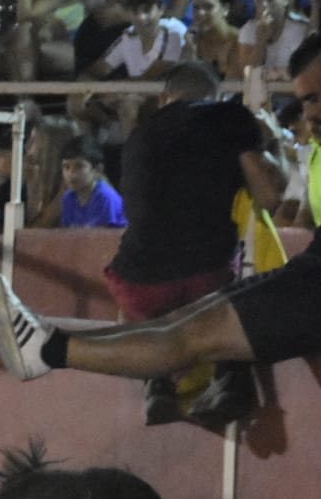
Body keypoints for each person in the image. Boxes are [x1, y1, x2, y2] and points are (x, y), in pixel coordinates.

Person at [0, 34, 321, 430]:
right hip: (314, 279)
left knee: (188, 335)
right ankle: (47, 341)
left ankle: (48, 351)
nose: (308, 113)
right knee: (181, 325)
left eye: (312, 99)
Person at [98, 61, 289, 423]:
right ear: (216, 96)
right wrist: (273, 139)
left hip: (138, 286)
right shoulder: (230, 117)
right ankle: (231, 377)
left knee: (136, 297)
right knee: (230, 290)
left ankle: (156, 380)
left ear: (165, 98)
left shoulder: (139, 135)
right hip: (207, 279)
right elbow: (270, 195)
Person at [58, 135, 127, 228]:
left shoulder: (105, 198)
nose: (71, 174)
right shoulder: (68, 198)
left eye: (79, 166)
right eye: (66, 167)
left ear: (98, 170)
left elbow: (103, 235)